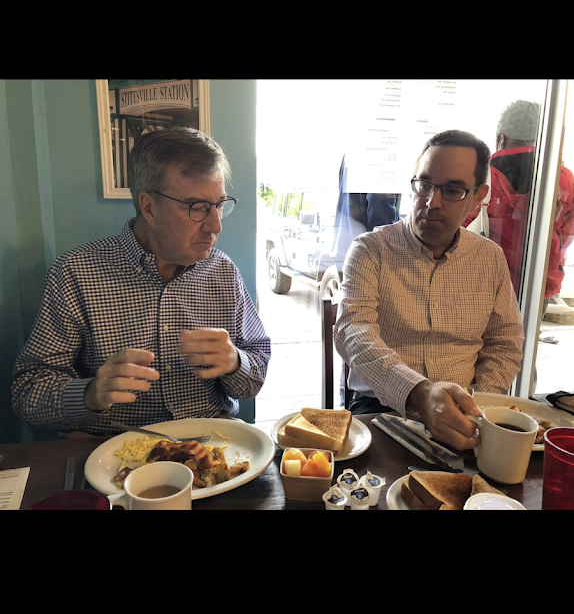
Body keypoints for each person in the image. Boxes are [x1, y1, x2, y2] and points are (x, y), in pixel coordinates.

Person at [12, 128, 271, 435]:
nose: (215, 226)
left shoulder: (223, 272)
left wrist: (235, 362)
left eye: (219, 205)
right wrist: (90, 394)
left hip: (212, 449)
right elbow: (27, 395)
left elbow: (256, 370)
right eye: (197, 208)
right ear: (148, 207)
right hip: (114, 456)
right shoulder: (76, 274)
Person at [334, 129, 524, 451]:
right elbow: (353, 330)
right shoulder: (371, 250)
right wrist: (419, 393)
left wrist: (476, 407)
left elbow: (505, 343)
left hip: (468, 416)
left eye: (452, 190)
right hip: (382, 409)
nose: (431, 202)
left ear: (479, 197)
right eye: (424, 185)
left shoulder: (490, 259)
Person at [463, 99, 574, 336]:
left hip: (487, 283)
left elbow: (459, 227)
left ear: (501, 137)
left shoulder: (483, 174)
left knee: (482, 350)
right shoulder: (563, 176)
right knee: (523, 349)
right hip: (541, 282)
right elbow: (567, 231)